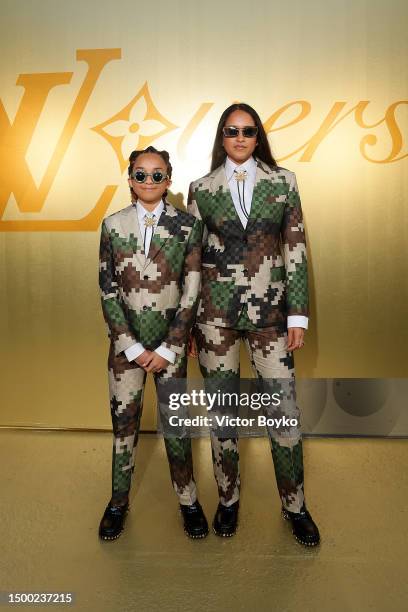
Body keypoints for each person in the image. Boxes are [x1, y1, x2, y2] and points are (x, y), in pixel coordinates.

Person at [187, 103, 320, 546]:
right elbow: (191, 262)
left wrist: (297, 314)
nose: (240, 138)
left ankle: (295, 506)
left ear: (258, 136)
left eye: (248, 130)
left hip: (272, 316)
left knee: (283, 411)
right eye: (231, 130)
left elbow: (296, 249)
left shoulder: (284, 183)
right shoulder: (200, 188)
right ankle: (228, 500)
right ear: (221, 138)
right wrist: (187, 325)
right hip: (215, 318)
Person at [98, 146, 208, 540]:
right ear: (130, 179)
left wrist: (168, 348)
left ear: (168, 180)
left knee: (176, 427)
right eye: (141, 174)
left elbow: (192, 291)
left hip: (170, 349)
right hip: (125, 352)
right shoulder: (112, 226)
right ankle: (117, 502)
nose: (148, 181)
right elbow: (108, 292)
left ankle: (189, 501)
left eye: (157, 174)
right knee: (124, 429)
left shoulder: (187, 227)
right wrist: (131, 347)